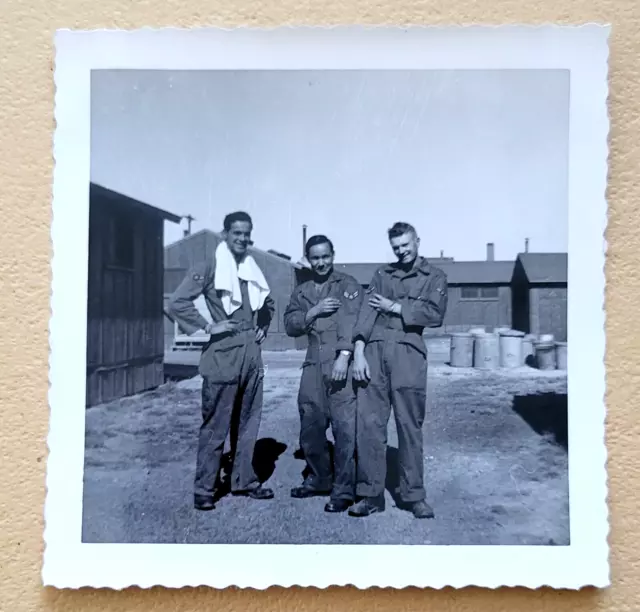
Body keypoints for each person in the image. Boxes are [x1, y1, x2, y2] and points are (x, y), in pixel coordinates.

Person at [168, 211, 275, 511]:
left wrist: (263, 325)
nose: (242, 238)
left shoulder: (252, 267)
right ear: (225, 233)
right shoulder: (210, 264)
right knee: (216, 424)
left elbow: (268, 303)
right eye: (236, 233)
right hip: (223, 353)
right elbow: (178, 302)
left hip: (251, 354)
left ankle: (244, 480)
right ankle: (205, 487)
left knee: (248, 421)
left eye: (247, 233)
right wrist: (207, 326)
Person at [349, 222, 448, 519]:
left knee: (409, 427)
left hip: (409, 355)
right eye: (396, 248)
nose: (402, 251)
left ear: (417, 241)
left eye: (406, 245)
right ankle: (370, 494)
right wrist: (358, 351)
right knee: (369, 425)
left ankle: (413, 495)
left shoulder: (435, 276)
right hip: (375, 353)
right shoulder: (382, 275)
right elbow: (367, 311)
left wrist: (394, 307)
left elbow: (434, 314)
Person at [283, 235, 363, 513]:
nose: (321, 262)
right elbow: (290, 325)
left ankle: (344, 489)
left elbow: (353, 323)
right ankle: (320, 478)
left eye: (325, 256)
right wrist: (313, 311)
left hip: (340, 360)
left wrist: (344, 356)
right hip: (313, 362)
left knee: (344, 429)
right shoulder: (302, 291)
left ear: (333, 254)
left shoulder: (347, 285)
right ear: (307, 258)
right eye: (315, 257)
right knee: (311, 425)